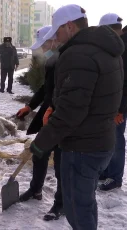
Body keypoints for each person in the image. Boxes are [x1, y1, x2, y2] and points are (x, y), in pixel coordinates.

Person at [29, 4, 124, 230]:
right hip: (102, 141)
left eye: (58, 32)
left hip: (82, 146)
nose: (58, 39)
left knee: (77, 209)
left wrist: (42, 142)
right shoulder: (107, 49)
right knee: (86, 202)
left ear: (70, 26)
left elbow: (72, 111)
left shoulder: (78, 54)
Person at [16, 25, 63, 221]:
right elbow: (47, 87)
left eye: (44, 45)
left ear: (53, 40)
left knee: (61, 162)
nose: (42, 50)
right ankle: (35, 190)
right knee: (39, 152)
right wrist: (30, 106)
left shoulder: (68, 58)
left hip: (62, 117)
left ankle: (61, 204)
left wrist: (54, 108)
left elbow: (68, 90)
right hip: (49, 115)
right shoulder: (53, 60)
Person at [98, 13, 127, 191]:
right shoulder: (117, 45)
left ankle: (115, 176)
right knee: (110, 137)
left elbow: (124, 82)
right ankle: (108, 171)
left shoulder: (123, 47)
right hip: (114, 103)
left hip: (120, 105)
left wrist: (120, 110)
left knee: (116, 138)